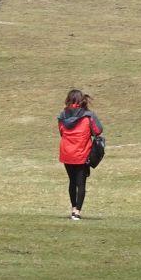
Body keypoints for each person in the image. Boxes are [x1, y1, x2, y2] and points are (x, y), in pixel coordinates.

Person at [57, 90, 105, 219]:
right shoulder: (88, 116)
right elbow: (98, 130)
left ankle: (73, 208)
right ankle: (77, 212)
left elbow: (61, 132)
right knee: (81, 183)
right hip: (82, 153)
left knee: (72, 182)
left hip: (67, 153)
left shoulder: (62, 115)